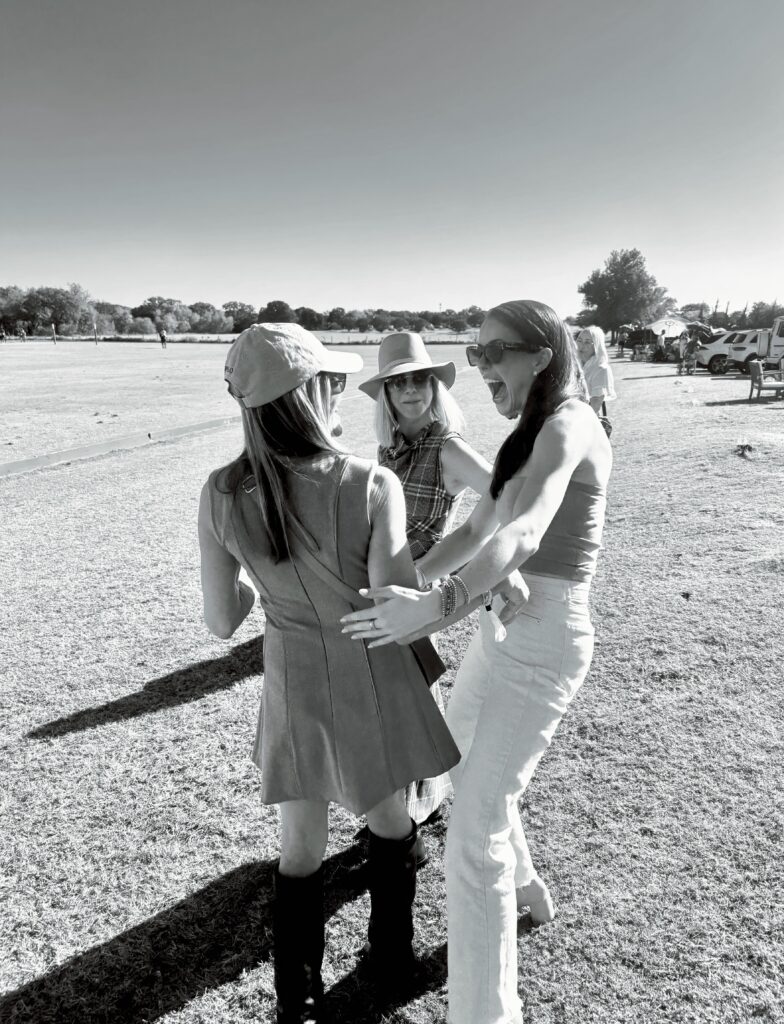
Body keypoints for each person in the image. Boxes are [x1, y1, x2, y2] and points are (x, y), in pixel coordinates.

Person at [342, 299, 612, 1024]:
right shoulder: (526, 434)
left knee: (473, 832)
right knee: (458, 762)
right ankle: (525, 891)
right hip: (506, 629)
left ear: (542, 355)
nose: (481, 367)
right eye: (475, 353)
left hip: (547, 633)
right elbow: (478, 529)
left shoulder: (569, 422)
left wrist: (437, 607)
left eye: (496, 352)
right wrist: (409, 582)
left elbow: (522, 534)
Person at [198, 323, 460, 1021]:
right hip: (370, 674)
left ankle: (298, 997)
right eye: (333, 380)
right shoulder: (372, 482)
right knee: (389, 818)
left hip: (293, 679)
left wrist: (261, 581)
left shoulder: (220, 491)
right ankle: (392, 955)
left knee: (300, 847)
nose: (340, 389)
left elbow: (222, 621)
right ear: (312, 392)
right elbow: (393, 604)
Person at [359, 332, 491, 837]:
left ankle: (419, 805)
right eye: (399, 383)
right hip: (385, 591)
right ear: (387, 395)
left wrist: (431, 570)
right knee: (398, 701)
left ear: (436, 386)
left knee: (413, 702)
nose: (412, 390)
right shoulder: (387, 449)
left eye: (421, 379)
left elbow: (500, 506)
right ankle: (413, 802)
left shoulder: (447, 447)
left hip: (416, 596)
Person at [576, 326, 617, 417]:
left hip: (586, 419)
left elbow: (595, 405)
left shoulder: (601, 369)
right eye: (579, 340)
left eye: (587, 342)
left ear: (596, 346)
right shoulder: (574, 364)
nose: (581, 345)